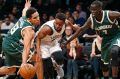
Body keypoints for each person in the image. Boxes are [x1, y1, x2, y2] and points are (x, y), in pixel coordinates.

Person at [64, 1, 120, 79]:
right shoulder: (91, 19)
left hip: (116, 36)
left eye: (95, 10)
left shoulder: (110, 14)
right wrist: (67, 41)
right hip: (105, 39)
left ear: (100, 9)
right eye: (91, 10)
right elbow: (80, 30)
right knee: (104, 65)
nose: (93, 12)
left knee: (114, 51)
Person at [0, 0, 43, 79]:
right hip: (11, 45)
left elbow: (24, 11)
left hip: (7, 42)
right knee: (37, 57)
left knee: (11, 70)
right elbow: (26, 48)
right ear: (29, 19)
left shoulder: (24, 17)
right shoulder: (28, 30)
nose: (38, 19)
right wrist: (24, 63)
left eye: (38, 16)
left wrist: (27, 6)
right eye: (35, 18)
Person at [36, 13, 79, 79]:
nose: (57, 25)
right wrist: (38, 51)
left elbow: (72, 26)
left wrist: (74, 27)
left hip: (53, 41)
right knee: (48, 68)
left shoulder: (66, 22)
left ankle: (57, 66)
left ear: (64, 23)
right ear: (55, 20)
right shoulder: (47, 28)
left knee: (60, 59)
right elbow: (38, 38)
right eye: (56, 23)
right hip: (43, 44)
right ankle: (52, 66)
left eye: (60, 24)